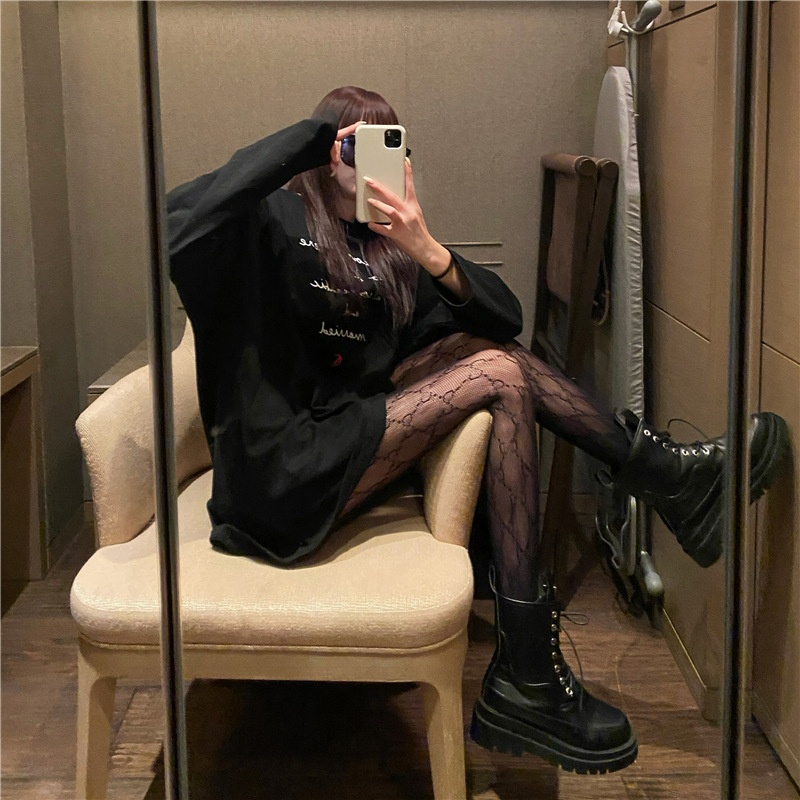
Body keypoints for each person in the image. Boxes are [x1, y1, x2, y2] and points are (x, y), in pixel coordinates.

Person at [167, 86, 789, 775]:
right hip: (277, 470)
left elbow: (502, 322)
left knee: (495, 363)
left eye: (386, 142)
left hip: (344, 445)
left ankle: (536, 657)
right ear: (322, 151)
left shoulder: (390, 252)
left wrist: (425, 246)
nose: (367, 156)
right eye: (351, 142)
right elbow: (181, 220)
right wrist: (311, 139)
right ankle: (662, 485)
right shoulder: (270, 222)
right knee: (496, 374)